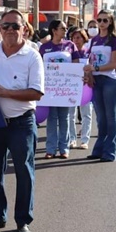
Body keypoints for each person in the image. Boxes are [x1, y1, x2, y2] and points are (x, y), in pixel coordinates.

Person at [0, 9, 44, 232]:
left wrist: (5, 92)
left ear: (24, 28)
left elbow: (36, 92)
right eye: (5, 26)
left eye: (15, 26)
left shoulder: (32, 55)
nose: (10, 30)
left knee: (24, 172)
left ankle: (23, 220)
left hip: (21, 123)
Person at [83, 10, 116, 162]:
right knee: (101, 118)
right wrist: (90, 74)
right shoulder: (94, 40)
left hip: (111, 81)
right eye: (99, 20)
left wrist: (95, 69)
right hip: (97, 81)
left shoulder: (114, 39)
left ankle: (109, 152)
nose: (101, 23)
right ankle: (99, 149)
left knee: (110, 116)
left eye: (105, 20)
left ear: (111, 22)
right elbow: (90, 61)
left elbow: (114, 63)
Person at [39, 19, 80, 159]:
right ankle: (50, 149)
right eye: (62, 28)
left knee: (64, 118)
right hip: (50, 89)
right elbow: (39, 68)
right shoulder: (44, 47)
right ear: (54, 30)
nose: (65, 30)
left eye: (65, 28)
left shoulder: (70, 45)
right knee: (51, 119)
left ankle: (64, 148)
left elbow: (76, 65)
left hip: (65, 89)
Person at [69, 28, 93, 150]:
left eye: (78, 38)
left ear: (84, 39)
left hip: (86, 88)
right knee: (70, 115)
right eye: (74, 38)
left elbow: (94, 69)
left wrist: (89, 77)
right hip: (71, 88)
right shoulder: (69, 53)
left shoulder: (89, 53)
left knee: (86, 114)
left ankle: (84, 140)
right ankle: (72, 139)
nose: (76, 40)